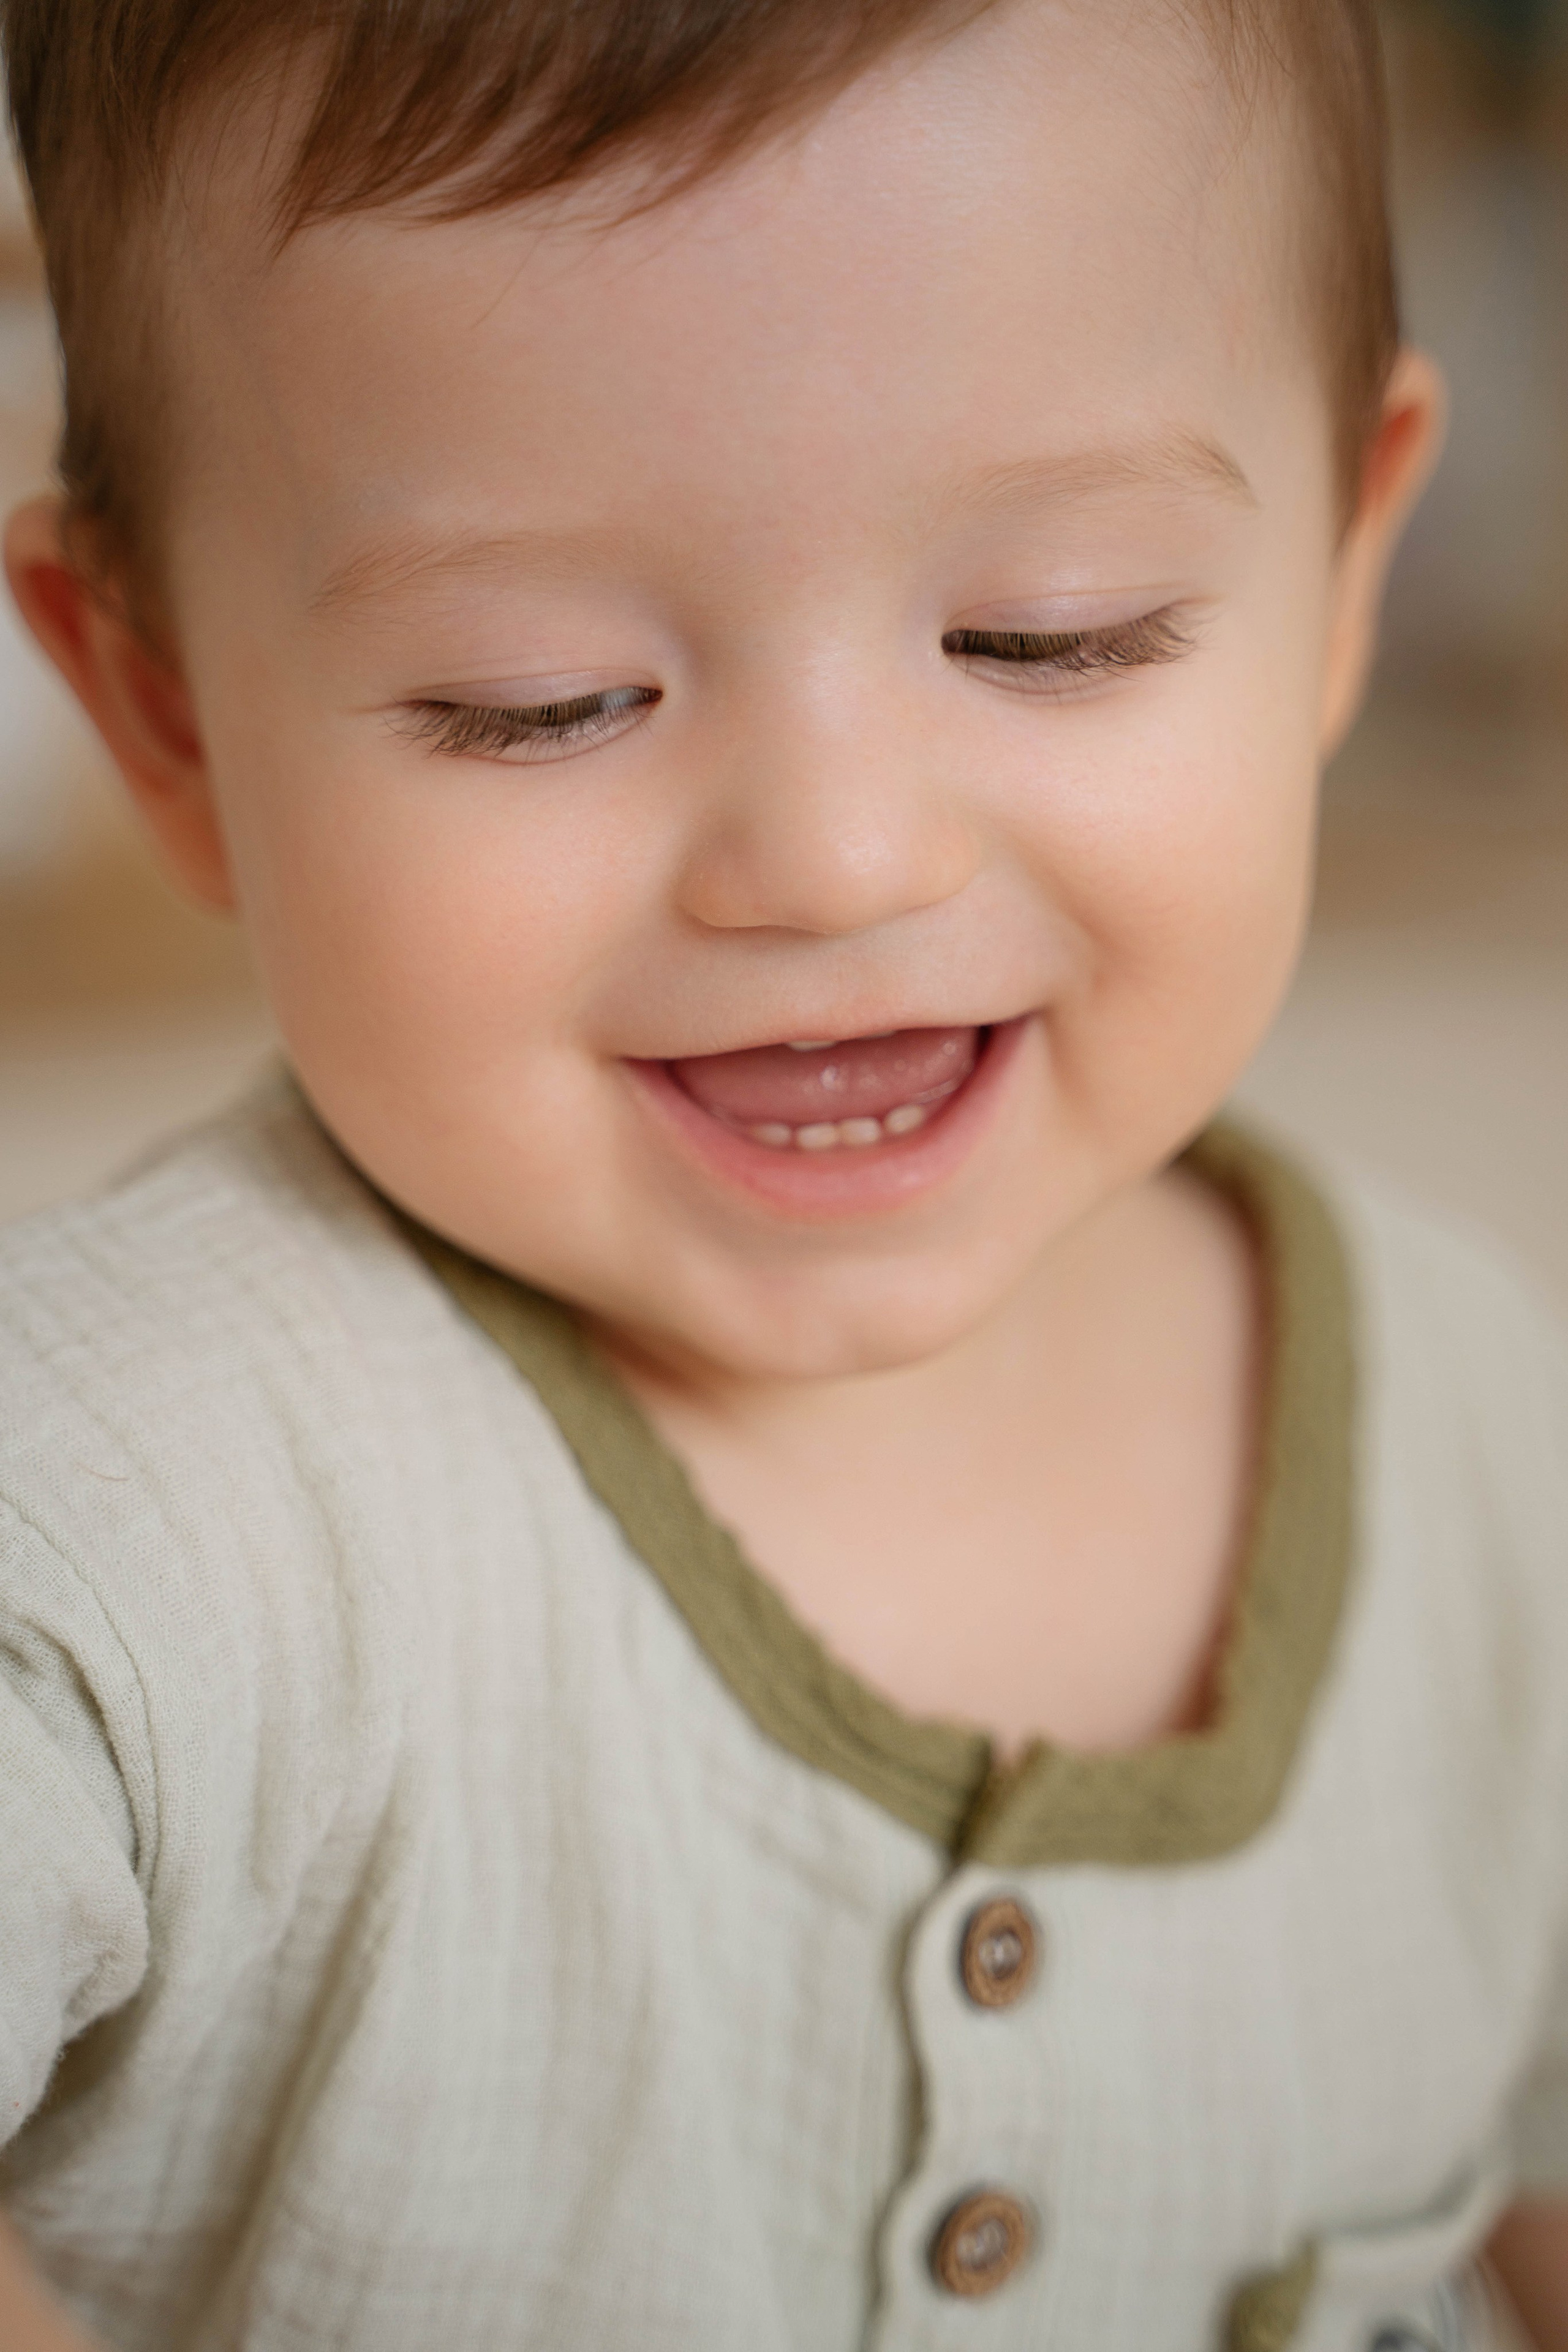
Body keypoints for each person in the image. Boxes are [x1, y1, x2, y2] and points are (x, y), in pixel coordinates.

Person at [1, 0, 1565, 2343]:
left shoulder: (1491, 1441)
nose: (835, 860)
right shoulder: (121, 1508)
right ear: (162, 710)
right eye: (543, 696)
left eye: (1056, 635)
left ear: (1344, 574)